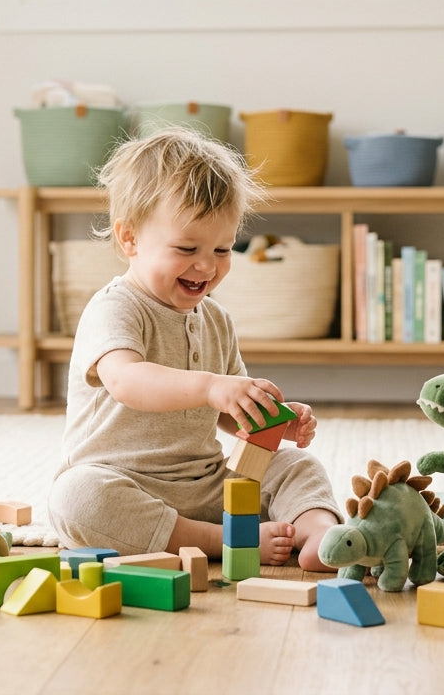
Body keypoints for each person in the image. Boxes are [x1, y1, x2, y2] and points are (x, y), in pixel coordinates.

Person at [47, 127, 340, 571]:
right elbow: (127, 380)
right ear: (129, 239)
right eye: (187, 248)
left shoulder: (216, 318)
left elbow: (226, 414)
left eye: (222, 248)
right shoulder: (115, 308)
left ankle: (318, 533)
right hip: (122, 482)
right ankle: (221, 541)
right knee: (76, 499)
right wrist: (211, 387)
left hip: (206, 486)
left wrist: (267, 419)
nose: (206, 265)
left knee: (296, 466)